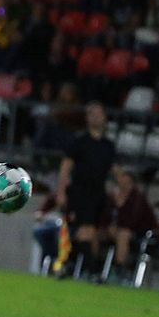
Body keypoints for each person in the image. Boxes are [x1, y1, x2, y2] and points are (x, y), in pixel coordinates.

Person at [54, 101, 120, 276]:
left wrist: (121, 187)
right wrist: (61, 192)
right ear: (87, 118)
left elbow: (114, 169)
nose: (96, 118)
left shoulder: (108, 146)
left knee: (91, 233)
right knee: (86, 230)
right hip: (80, 192)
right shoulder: (79, 142)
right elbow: (65, 167)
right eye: (93, 114)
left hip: (98, 194)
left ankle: (69, 263)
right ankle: (92, 270)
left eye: (99, 114)